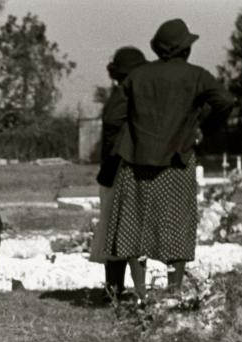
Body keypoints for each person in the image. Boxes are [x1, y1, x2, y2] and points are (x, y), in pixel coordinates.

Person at [105, 18, 234, 303]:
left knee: (133, 227)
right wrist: (202, 127)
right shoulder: (197, 76)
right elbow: (225, 101)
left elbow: (112, 117)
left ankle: (140, 295)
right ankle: (173, 293)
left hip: (137, 164)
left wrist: (131, 140)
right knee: (177, 224)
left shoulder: (138, 76)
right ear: (184, 50)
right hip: (177, 161)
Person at [88, 46, 147, 302]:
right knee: (119, 231)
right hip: (118, 171)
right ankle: (117, 288)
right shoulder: (125, 97)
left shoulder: (121, 95)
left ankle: (116, 288)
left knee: (116, 231)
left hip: (115, 171)